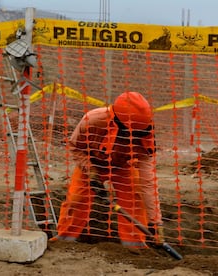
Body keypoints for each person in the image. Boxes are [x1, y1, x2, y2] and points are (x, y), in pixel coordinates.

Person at [51, 91, 164, 248]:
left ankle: (135, 246)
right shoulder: (93, 120)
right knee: (76, 199)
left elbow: (148, 182)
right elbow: (75, 147)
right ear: (119, 122)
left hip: (123, 166)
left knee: (134, 198)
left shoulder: (145, 134)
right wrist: (91, 172)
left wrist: (155, 221)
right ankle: (64, 242)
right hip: (90, 163)